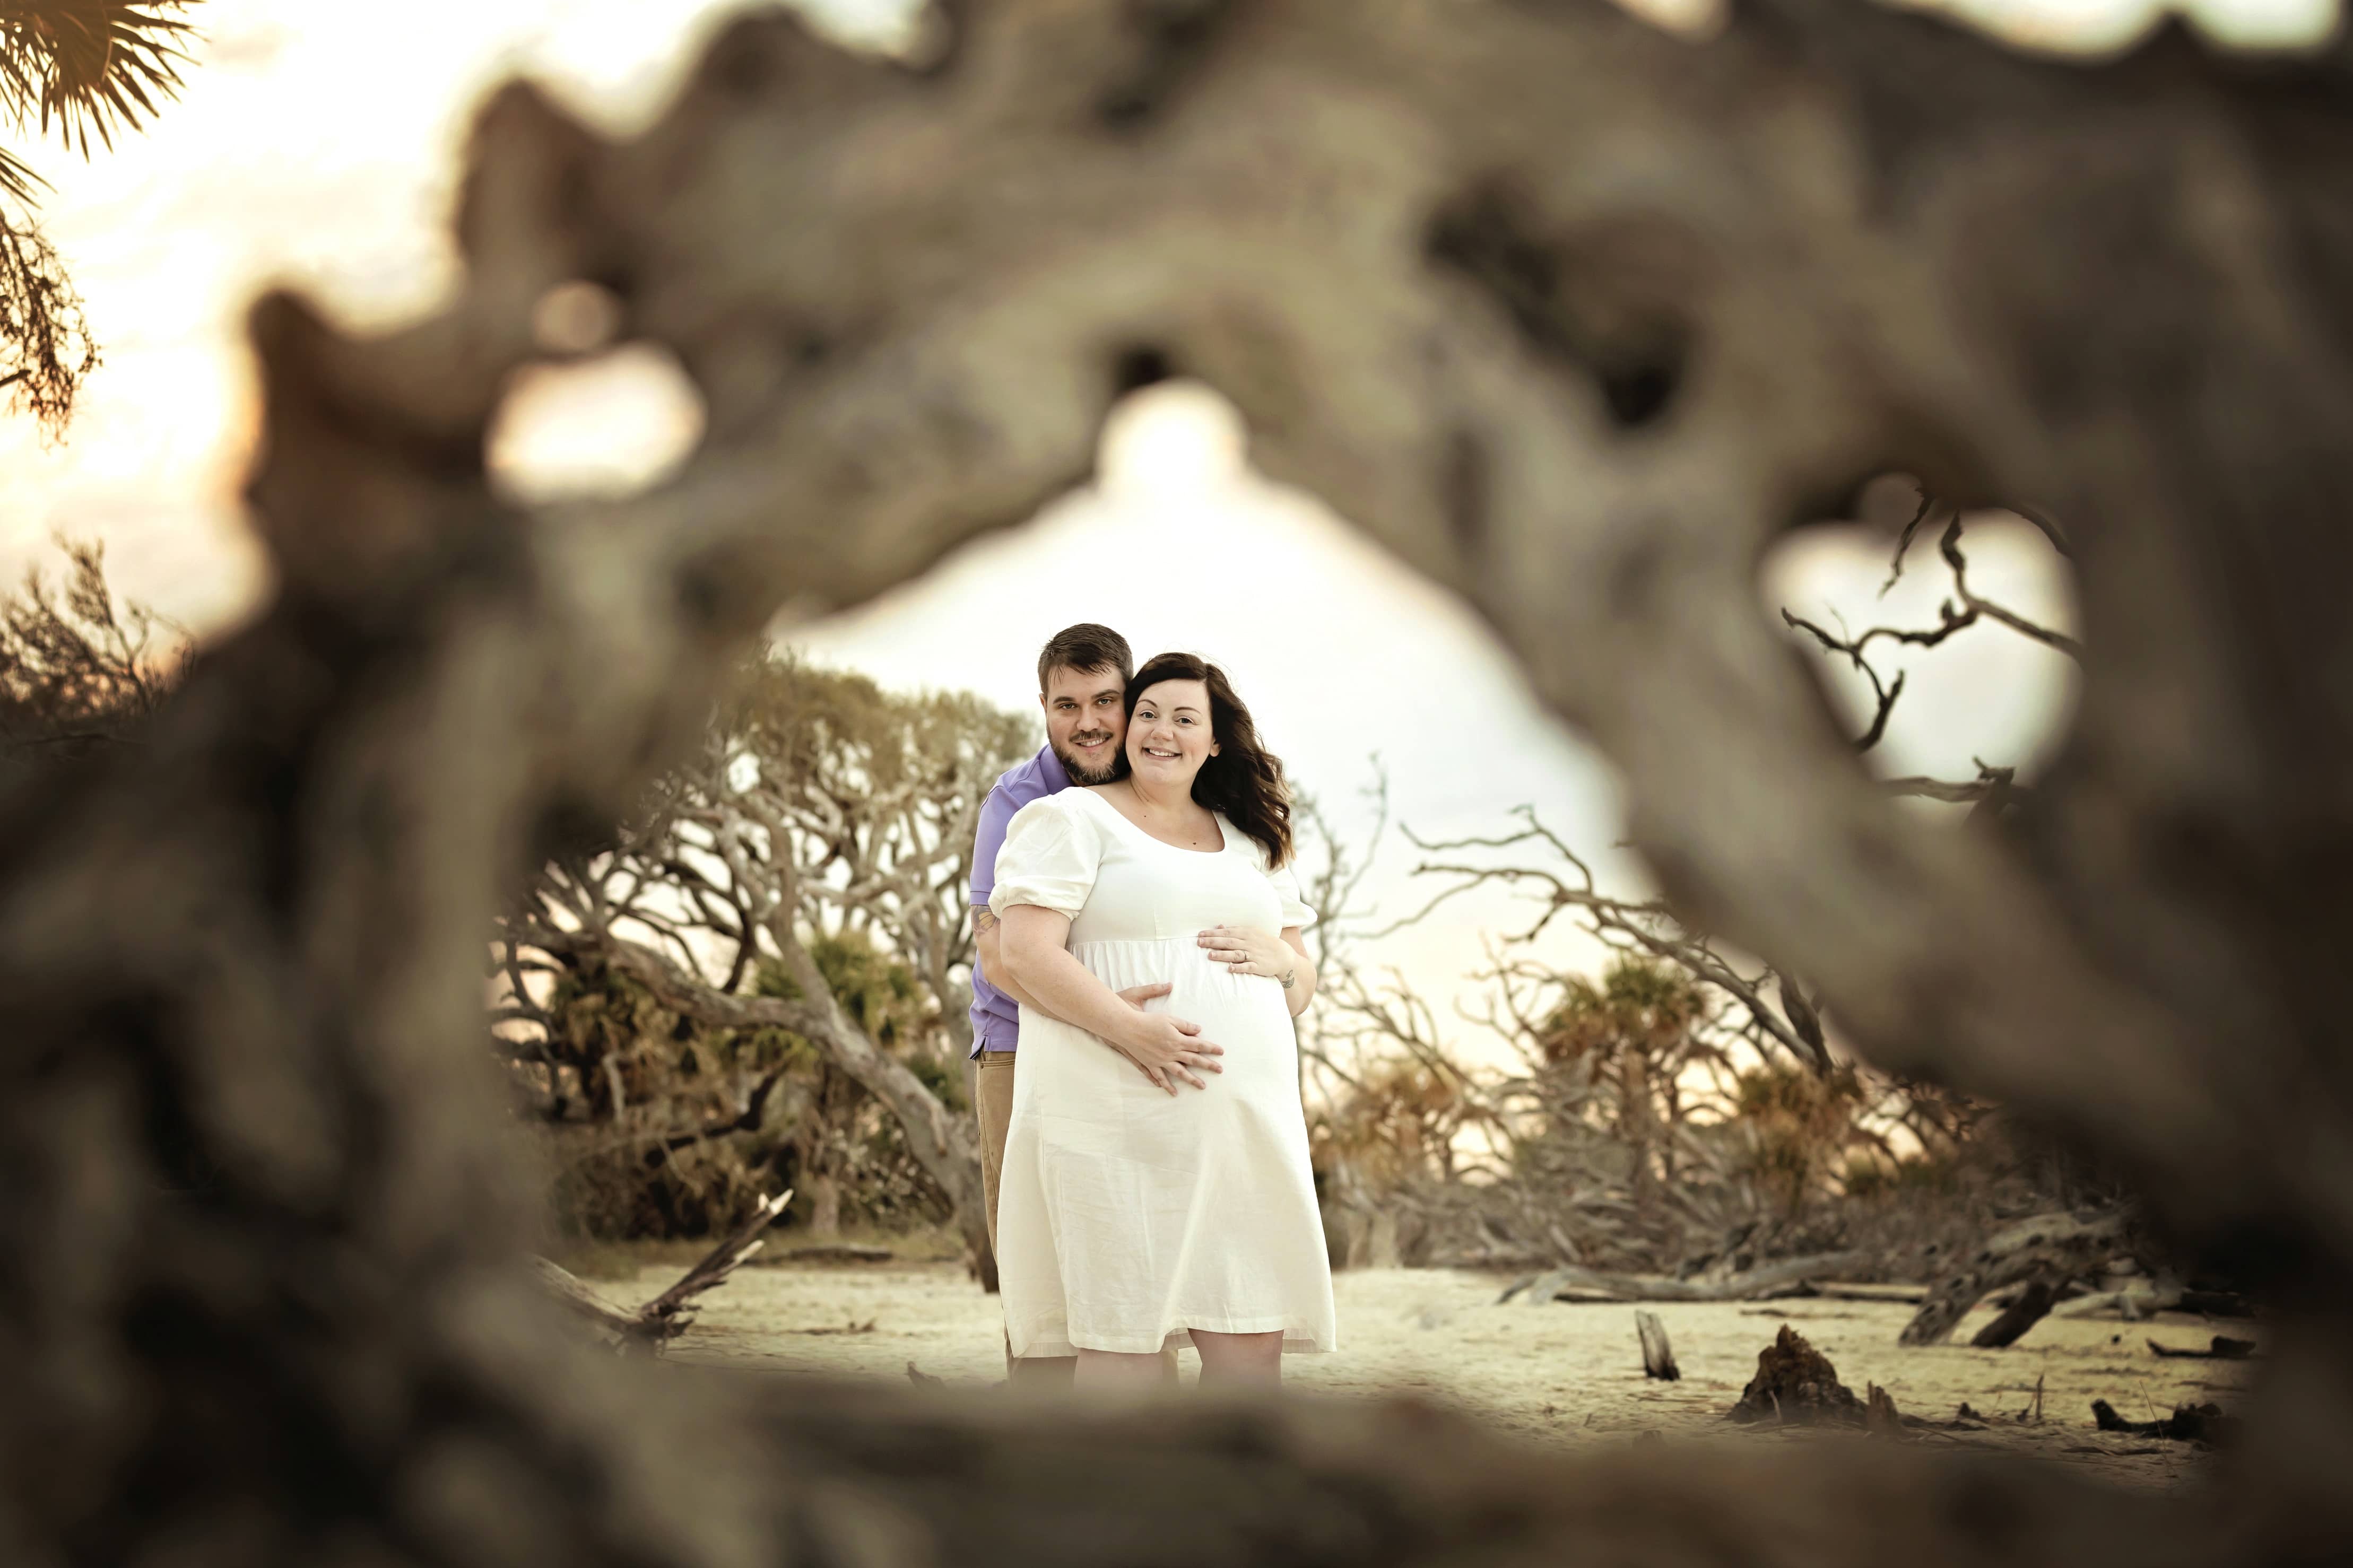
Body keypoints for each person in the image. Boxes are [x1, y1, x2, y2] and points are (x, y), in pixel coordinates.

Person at [988, 652, 1337, 1389]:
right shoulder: (1068, 818)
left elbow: (1301, 984)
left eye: (1185, 718)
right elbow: (1022, 952)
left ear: (1216, 741)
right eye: (1147, 713)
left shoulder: (1251, 840)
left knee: (1250, 1345)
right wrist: (1128, 1028)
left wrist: (1281, 965)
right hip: (1115, 1115)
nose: (1161, 731)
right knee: (1125, 1344)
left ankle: (1234, 1507)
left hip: (1242, 1131)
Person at [967, 623, 1170, 1386]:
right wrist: (1104, 1016)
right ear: (1044, 709)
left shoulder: (1168, 782)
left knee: (1148, 1251)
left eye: (1105, 701)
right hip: (1020, 1046)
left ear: (1133, 698)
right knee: (1037, 1256)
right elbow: (997, 948)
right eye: (1066, 705)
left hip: (1146, 1042)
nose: (1086, 721)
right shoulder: (1018, 800)